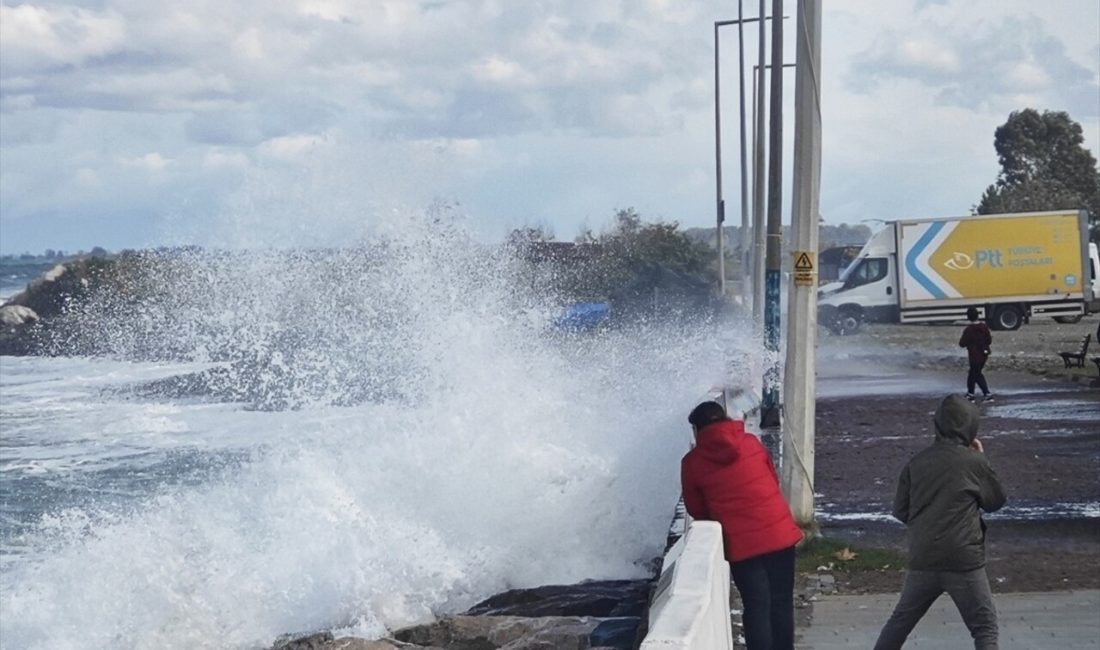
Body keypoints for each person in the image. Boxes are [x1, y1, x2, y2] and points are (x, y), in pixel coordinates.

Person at [873, 394, 1007, 650]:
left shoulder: (916, 463)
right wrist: (982, 459)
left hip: (923, 557)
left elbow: (902, 511)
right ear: (971, 427)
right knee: (984, 627)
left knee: (900, 622)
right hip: (963, 559)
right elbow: (996, 501)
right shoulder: (974, 463)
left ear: (938, 425)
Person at [681, 401, 803, 650]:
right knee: (781, 601)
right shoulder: (750, 444)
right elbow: (772, 477)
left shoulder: (692, 462)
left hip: (742, 544)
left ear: (697, 429)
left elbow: (696, 509)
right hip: (778, 533)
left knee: (757, 605)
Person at [959, 307, 994, 402]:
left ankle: (978, 394)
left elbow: (962, 343)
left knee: (974, 374)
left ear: (968, 317)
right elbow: (989, 340)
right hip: (984, 354)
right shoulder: (984, 327)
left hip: (974, 356)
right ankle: (978, 394)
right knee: (975, 374)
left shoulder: (969, 330)